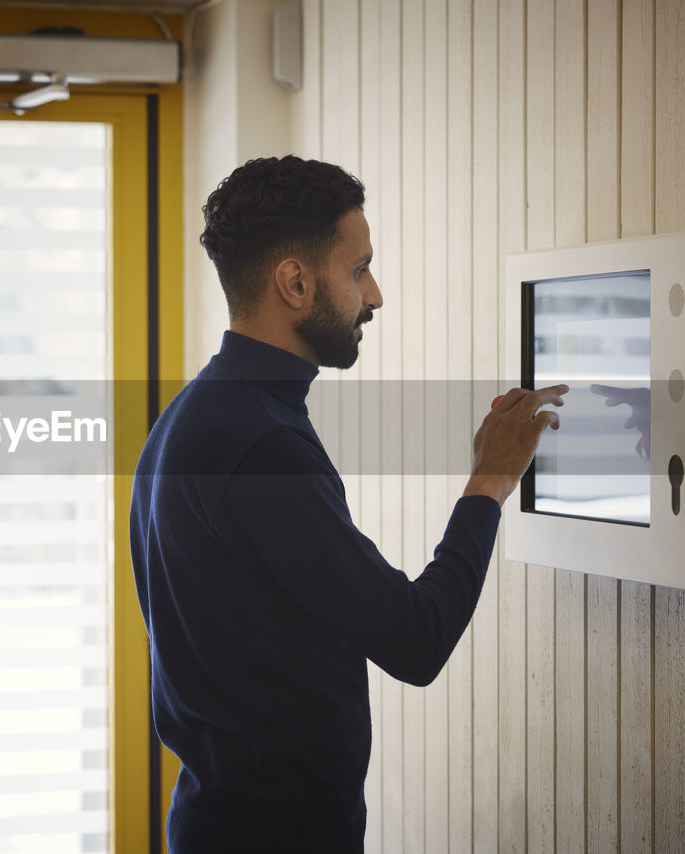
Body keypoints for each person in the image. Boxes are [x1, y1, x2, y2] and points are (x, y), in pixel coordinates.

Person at [128, 155, 567, 852]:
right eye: (358, 268)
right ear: (296, 282)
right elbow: (415, 641)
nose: (376, 295)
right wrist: (491, 481)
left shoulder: (195, 415)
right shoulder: (261, 445)